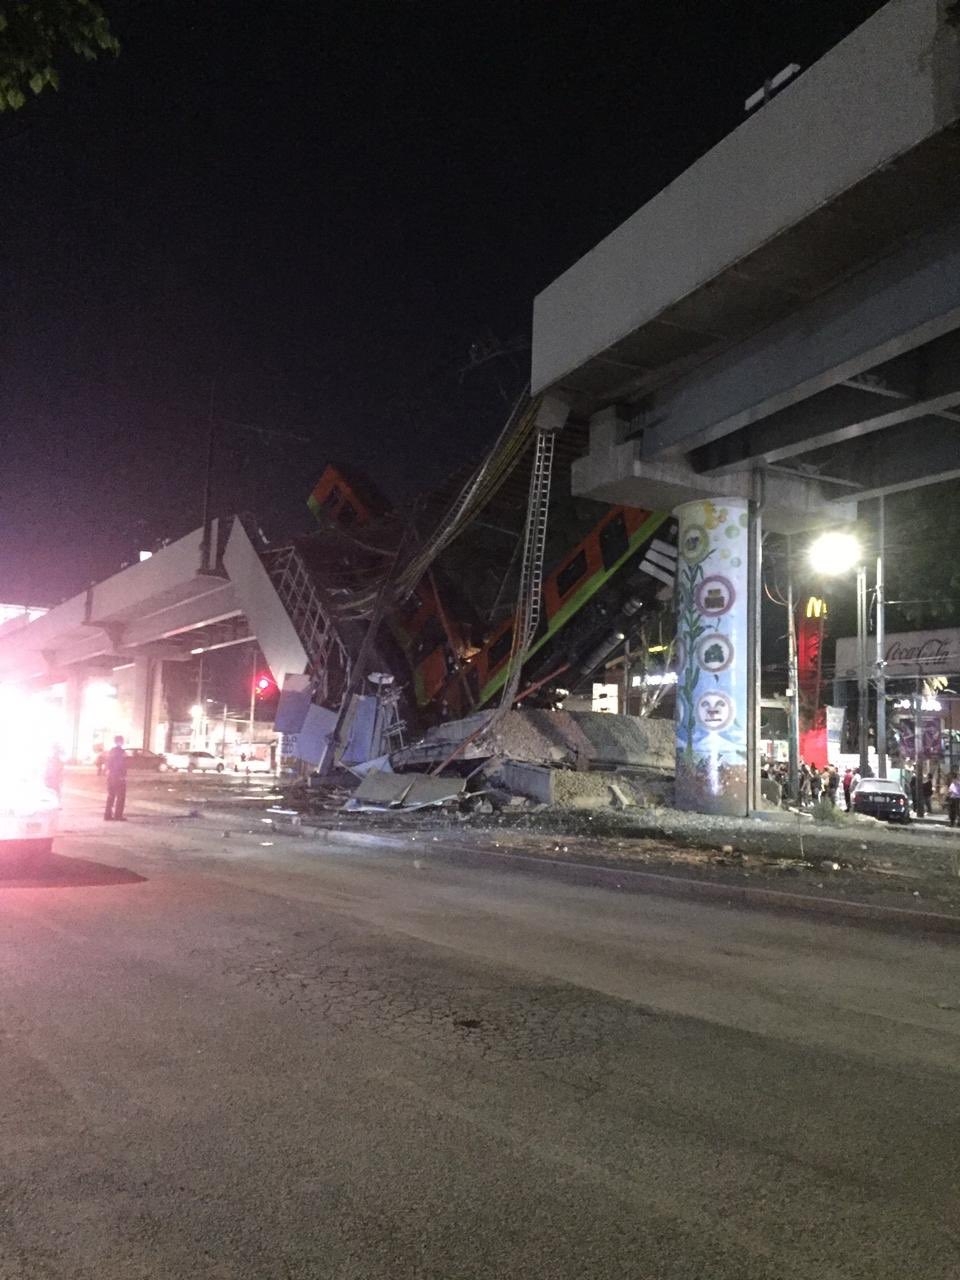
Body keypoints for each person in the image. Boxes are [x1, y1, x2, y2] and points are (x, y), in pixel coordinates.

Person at [104, 734, 128, 821]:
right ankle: (118, 815)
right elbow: (121, 765)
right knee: (121, 797)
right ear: (121, 741)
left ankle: (107, 815)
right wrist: (122, 775)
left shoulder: (110, 752)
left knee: (111, 796)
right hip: (118, 777)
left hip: (110, 777)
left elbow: (108, 765)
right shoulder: (121, 752)